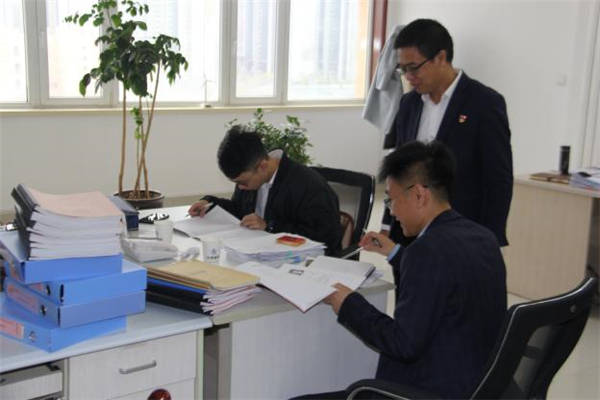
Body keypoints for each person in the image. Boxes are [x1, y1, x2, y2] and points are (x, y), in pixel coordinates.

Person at [296, 141, 507, 399]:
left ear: (419, 195)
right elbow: (445, 279)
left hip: (427, 389)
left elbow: (402, 343)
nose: (392, 212)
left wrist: (347, 302)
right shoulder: (483, 237)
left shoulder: (427, 251)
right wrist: (396, 253)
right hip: (478, 383)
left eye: (391, 200)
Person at [382, 19, 513, 247]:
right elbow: (398, 170)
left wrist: (490, 238)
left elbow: (498, 179)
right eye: (403, 69)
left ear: (441, 58)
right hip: (411, 231)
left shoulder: (484, 103)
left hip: (461, 230)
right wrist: (387, 224)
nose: (408, 76)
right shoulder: (409, 104)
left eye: (413, 67)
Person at [188, 125, 342, 255]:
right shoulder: (250, 175)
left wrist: (269, 226)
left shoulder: (309, 186)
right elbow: (240, 211)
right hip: (258, 254)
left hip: (301, 262)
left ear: (262, 166)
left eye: (243, 182)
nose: (240, 187)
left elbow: (325, 238)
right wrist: (209, 203)